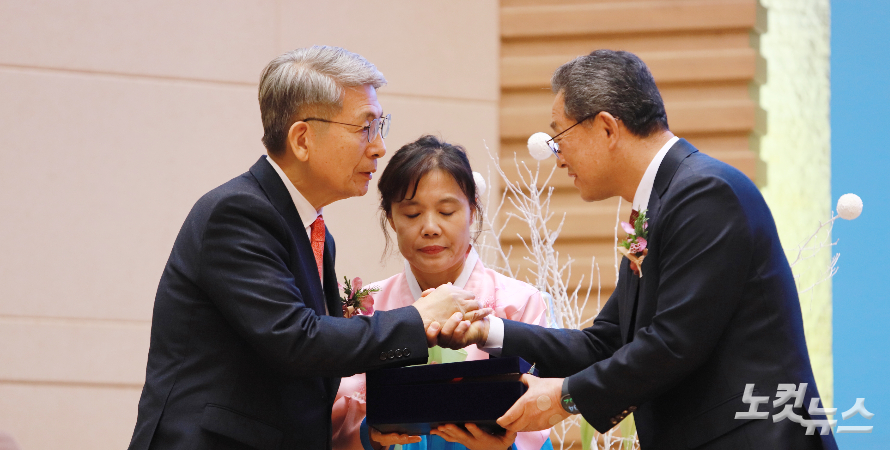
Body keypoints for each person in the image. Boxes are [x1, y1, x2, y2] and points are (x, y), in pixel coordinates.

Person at [437, 50, 839, 449]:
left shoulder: (705, 192)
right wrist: (485, 329)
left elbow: (674, 343)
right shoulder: (653, 206)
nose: (558, 159)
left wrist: (565, 396)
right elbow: (607, 341)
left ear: (607, 128)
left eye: (559, 138)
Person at [127, 46, 489, 450]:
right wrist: (417, 318)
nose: (379, 147)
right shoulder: (238, 212)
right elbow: (296, 341)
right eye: (365, 127)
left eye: (380, 125)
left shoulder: (312, 229)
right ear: (302, 139)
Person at [330, 136, 554, 450]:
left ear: (472, 211)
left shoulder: (519, 303)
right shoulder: (364, 305)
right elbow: (334, 420)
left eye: (447, 212)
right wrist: (368, 434)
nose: (430, 227)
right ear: (391, 218)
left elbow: (538, 421)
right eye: (412, 214)